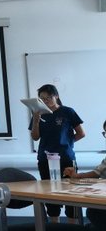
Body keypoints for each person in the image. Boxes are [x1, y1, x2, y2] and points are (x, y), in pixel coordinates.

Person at [30, 84, 85, 223]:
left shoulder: (67, 112)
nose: (45, 101)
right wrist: (36, 120)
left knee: (70, 192)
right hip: (45, 158)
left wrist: (67, 143)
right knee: (49, 193)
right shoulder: (38, 114)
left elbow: (81, 133)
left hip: (66, 158)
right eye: (42, 99)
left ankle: (72, 228)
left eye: (48, 97)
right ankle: (55, 226)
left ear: (56, 96)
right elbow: (35, 137)